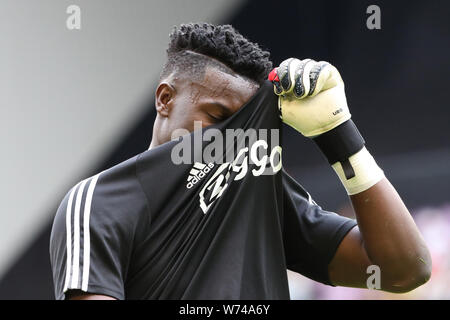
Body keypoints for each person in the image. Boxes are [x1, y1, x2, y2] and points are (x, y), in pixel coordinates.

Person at [49, 23, 431, 300]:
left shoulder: (256, 191)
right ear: (165, 99)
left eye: (239, 127)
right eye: (217, 118)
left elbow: (404, 270)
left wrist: (339, 137)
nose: (226, 139)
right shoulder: (98, 203)